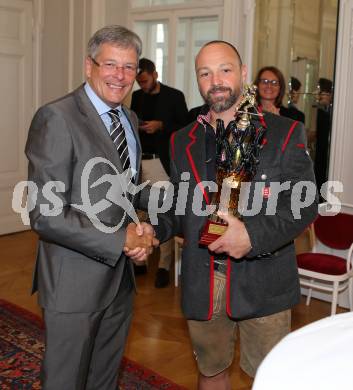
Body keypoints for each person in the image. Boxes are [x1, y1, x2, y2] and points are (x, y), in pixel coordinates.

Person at [153, 41, 318, 389]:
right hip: (202, 279)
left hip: (265, 281)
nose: (216, 80)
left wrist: (252, 236)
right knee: (211, 371)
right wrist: (150, 229)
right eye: (205, 73)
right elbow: (178, 204)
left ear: (243, 74)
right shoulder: (181, 140)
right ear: (197, 80)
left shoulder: (285, 132)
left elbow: (303, 205)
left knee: (270, 378)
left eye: (225, 69)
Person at [25, 25, 158, 390]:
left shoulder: (128, 120)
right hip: (74, 283)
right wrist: (121, 240)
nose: (120, 76)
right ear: (89, 65)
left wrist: (143, 229)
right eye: (110, 64)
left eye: (129, 67)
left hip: (120, 282)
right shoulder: (57, 118)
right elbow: (45, 213)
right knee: (66, 381)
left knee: (103, 379)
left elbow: (128, 193)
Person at [131, 58, 189, 287]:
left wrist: (161, 125)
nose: (142, 85)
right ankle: (140, 262)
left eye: (145, 80)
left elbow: (185, 127)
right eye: (139, 81)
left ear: (154, 74)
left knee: (162, 209)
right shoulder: (136, 97)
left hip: (161, 162)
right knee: (137, 210)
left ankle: (164, 266)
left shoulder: (174, 96)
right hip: (140, 162)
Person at [314, 77, 333, 195]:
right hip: (317, 153)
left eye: (322, 92)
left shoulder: (331, 113)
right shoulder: (319, 110)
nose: (319, 95)